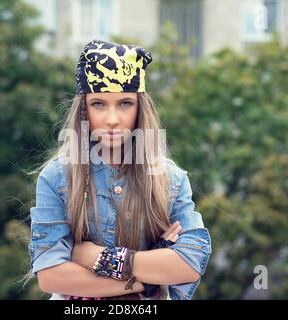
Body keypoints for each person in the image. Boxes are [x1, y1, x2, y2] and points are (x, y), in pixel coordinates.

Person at [28, 39, 211, 300]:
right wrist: (148, 282)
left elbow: (189, 264)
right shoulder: (57, 177)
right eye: (98, 104)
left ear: (140, 109)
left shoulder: (170, 179)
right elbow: (52, 276)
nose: (112, 119)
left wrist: (99, 258)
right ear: (83, 110)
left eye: (125, 103)